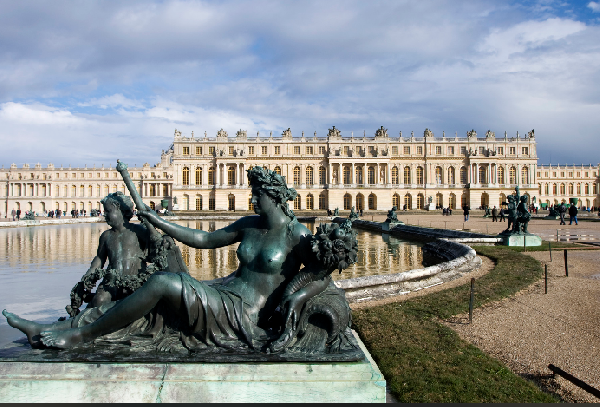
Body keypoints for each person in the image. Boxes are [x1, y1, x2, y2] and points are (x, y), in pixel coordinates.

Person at [3, 167, 326, 351]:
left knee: (162, 283)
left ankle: (81, 335)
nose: (252, 198)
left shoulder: (296, 234)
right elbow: (203, 239)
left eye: (257, 194)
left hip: (244, 314)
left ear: (274, 196)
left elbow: (322, 273)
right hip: (225, 293)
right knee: (149, 302)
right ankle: (52, 326)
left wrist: (297, 297)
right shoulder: (249, 225)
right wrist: (159, 221)